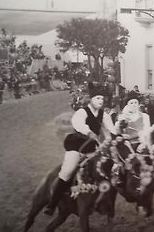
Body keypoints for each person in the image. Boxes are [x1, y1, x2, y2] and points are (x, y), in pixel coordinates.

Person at [43, 84, 116, 216]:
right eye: (98, 98)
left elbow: (111, 129)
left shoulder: (103, 114)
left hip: (92, 147)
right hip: (77, 146)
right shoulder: (82, 112)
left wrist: (117, 135)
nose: (101, 101)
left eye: (102, 99)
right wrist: (89, 132)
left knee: (105, 167)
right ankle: (52, 204)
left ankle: (100, 201)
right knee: (68, 170)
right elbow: (78, 123)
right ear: (91, 99)